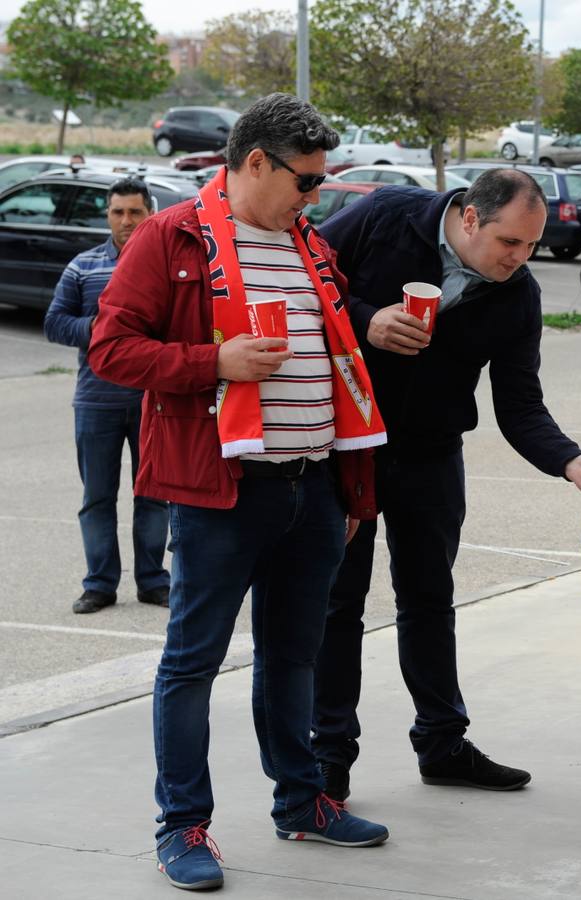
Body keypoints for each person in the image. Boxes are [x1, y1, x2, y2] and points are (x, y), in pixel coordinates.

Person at [87, 92, 391, 892]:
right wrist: (211, 363)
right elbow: (111, 348)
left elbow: (336, 362)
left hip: (313, 484)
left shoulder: (310, 246)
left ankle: (302, 801)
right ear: (255, 163)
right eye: (306, 180)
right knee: (193, 662)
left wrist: (348, 493)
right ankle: (182, 825)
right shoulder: (171, 235)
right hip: (220, 491)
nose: (314, 196)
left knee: (295, 657)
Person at [312, 168, 581, 802]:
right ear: (471, 218)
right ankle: (328, 759)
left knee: (428, 600)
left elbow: (521, 406)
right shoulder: (388, 216)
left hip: (430, 456)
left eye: (532, 246)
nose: (520, 259)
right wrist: (368, 319)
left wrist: (571, 461)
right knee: (337, 603)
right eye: (511, 243)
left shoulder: (518, 293)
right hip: (345, 444)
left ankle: (443, 744)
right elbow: (308, 278)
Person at [43, 176, 170, 614]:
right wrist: (95, 328)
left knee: (154, 495)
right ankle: (99, 584)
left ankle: (153, 581)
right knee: (97, 497)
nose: (126, 221)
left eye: (135, 212)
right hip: (95, 402)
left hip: (152, 401)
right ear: (108, 215)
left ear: (149, 213)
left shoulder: (164, 266)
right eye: (118, 212)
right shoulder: (84, 266)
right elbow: (54, 322)